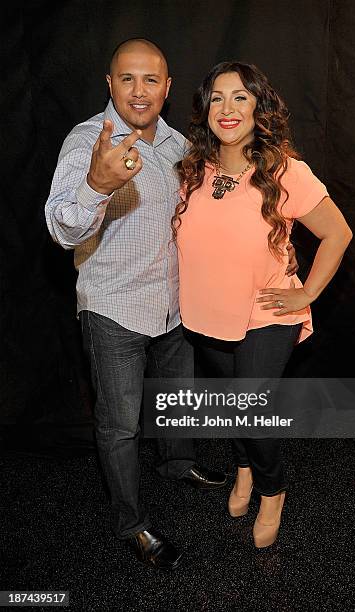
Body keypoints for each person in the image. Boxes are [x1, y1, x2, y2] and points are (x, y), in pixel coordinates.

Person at [45, 38, 233, 571]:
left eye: (151, 79)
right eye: (127, 79)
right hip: (115, 306)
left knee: (178, 397)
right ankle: (131, 523)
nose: (139, 90)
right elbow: (62, 226)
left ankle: (178, 463)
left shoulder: (178, 145)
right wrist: (96, 186)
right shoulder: (89, 141)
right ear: (110, 84)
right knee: (121, 424)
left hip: (172, 302)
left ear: (168, 88)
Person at [172, 62, 352, 548]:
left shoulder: (284, 169)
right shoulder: (192, 168)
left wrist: (308, 291)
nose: (227, 109)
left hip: (267, 311)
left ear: (258, 107)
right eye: (217, 98)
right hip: (206, 311)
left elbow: (338, 233)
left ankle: (272, 492)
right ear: (205, 108)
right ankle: (245, 470)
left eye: (240, 98)